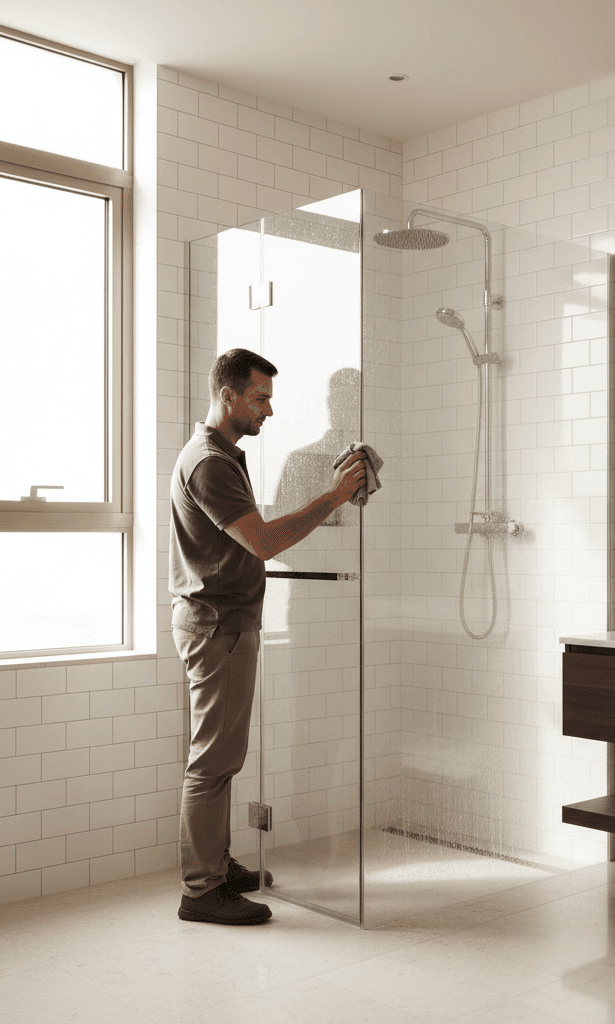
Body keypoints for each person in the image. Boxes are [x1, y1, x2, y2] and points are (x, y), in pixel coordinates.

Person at [169, 348, 366, 925]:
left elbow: (249, 537)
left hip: (225, 622)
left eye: (270, 397)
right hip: (218, 625)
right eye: (260, 398)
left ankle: (218, 864)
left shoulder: (224, 455)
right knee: (210, 762)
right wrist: (332, 495)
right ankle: (201, 891)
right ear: (226, 395)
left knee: (224, 758)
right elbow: (263, 541)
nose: (270, 410)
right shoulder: (209, 461)